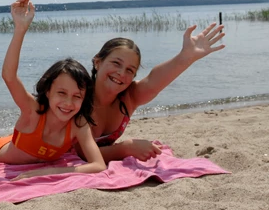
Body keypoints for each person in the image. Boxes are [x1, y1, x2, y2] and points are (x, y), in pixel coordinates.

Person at [0, 0, 106, 180]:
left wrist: (48, 172)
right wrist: (20, 29)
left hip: (24, 146)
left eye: (77, 96)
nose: (68, 103)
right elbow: (9, 76)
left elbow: (99, 165)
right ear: (48, 92)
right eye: (61, 93)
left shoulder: (78, 124)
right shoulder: (33, 110)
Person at [78, 23, 225, 163]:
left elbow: (154, 81)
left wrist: (186, 57)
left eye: (130, 70)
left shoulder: (129, 98)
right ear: (97, 62)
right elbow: (83, 153)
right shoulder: (76, 96)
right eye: (116, 63)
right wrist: (125, 148)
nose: (121, 73)